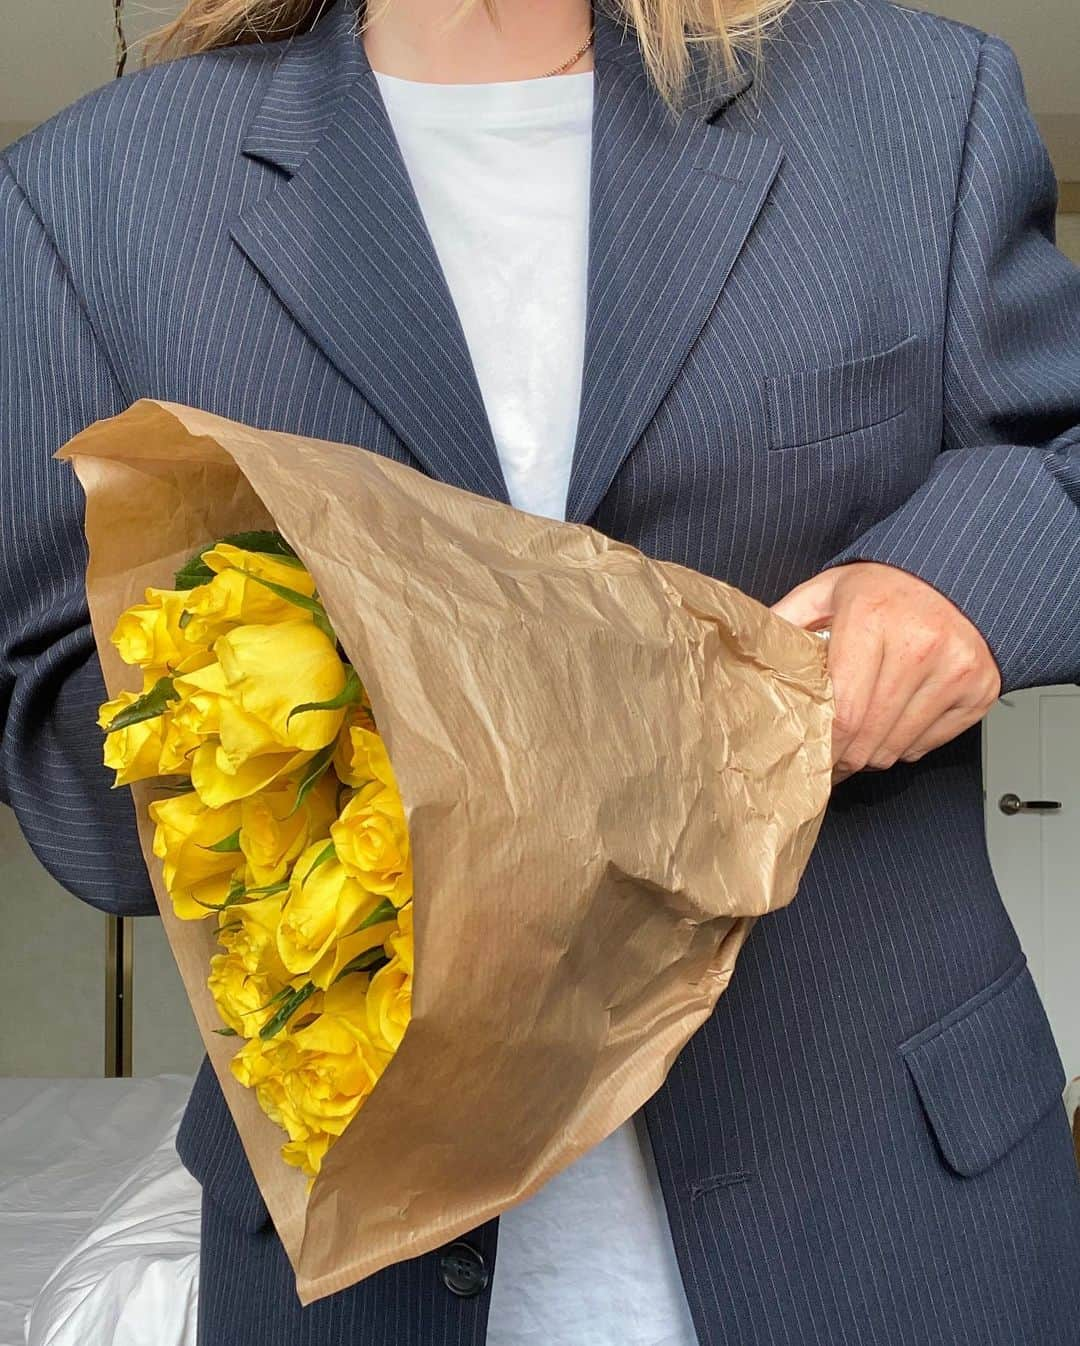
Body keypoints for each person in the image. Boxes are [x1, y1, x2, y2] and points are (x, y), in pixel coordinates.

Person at [2, 0, 1079, 1341]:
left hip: (881, 1214)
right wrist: (343, 748)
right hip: (366, 1268)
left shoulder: (914, 100)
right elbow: (59, 723)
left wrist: (963, 582)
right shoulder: (90, 194)